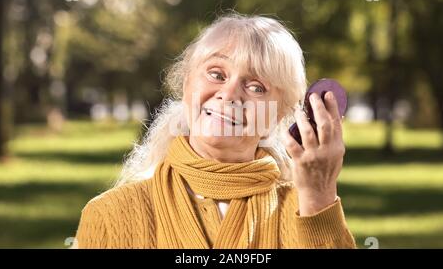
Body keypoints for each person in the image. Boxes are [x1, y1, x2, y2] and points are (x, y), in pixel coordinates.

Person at [74, 13, 356, 249]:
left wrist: (320, 197)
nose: (229, 94)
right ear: (187, 86)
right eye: (216, 74)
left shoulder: (308, 211)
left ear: (278, 116)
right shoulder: (109, 216)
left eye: (256, 87)